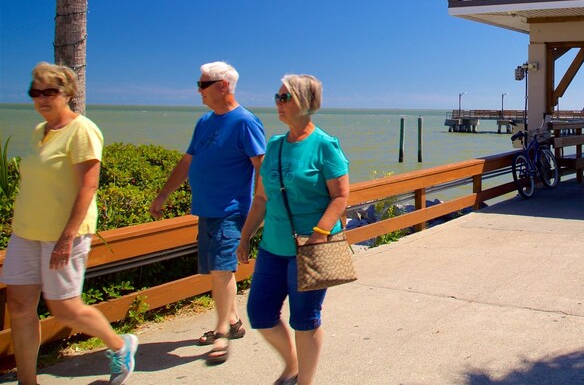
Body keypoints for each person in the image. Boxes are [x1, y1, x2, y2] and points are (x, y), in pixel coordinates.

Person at [0, 63, 138, 384]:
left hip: (65, 234)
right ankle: (27, 380)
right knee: (20, 307)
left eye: (50, 91)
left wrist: (67, 236)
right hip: (26, 232)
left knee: (64, 308)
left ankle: (120, 345)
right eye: (36, 92)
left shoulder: (83, 130)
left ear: (68, 94)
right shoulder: (40, 131)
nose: (42, 98)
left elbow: (88, 187)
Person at [237, 74, 350, 385]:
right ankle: (291, 365)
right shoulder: (274, 146)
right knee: (259, 313)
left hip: (310, 248)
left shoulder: (324, 146)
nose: (278, 102)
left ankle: (305, 381)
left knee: (305, 320)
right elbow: (260, 198)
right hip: (272, 247)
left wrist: (319, 233)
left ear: (304, 102)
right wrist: (245, 237)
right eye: (277, 96)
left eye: (284, 97)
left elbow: (340, 196)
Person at [150, 61, 266, 365]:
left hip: (231, 210)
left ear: (222, 86)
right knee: (216, 270)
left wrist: (259, 208)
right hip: (206, 210)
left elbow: (261, 168)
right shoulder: (204, 122)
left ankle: (221, 333)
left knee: (221, 269)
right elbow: (188, 161)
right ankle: (234, 323)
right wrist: (164, 193)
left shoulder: (245, 122)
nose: (197, 90)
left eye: (202, 84)